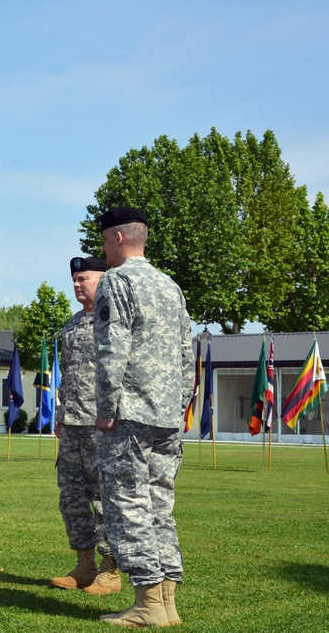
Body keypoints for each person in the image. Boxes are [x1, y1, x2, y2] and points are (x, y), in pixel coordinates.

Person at [93, 207, 193, 627]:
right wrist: (181, 401)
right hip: (167, 413)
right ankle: (167, 602)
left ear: (117, 238)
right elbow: (188, 353)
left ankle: (148, 604)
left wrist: (105, 406)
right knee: (159, 503)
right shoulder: (170, 286)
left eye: (103, 240)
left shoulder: (117, 281)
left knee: (127, 502)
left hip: (130, 412)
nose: (102, 248)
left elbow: (111, 349)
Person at [51, 256, 121, 594]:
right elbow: (67, 377)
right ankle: (84, 565)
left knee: (104, 495)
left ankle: (110, 569)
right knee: (73, 496)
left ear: (103, 280)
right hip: (73, 425)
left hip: (102, 424)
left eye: (85, 278)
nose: (78, 284)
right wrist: (61, 416)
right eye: (75, 279)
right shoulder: (72, 324)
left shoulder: (113, 321)